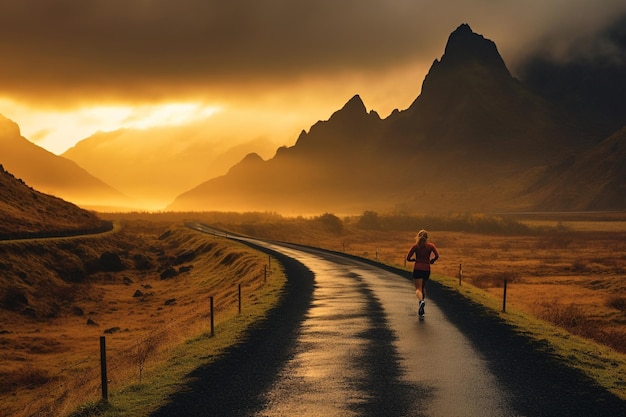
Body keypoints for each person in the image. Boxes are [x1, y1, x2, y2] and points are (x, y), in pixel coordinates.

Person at [406, 229, 439, 317]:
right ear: (427, 237)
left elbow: (408, 258)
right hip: (427, 269)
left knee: (418, 289)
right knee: (423, 287)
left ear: (418, 236)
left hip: (418, 268)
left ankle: (421, 301)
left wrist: (413, 260)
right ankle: (422, 309)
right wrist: (432, 261)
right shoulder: (431, 246)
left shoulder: (415, 246)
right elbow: (437, 255)